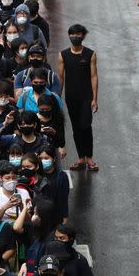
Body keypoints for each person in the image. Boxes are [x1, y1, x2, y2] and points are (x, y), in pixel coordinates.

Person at [57, 24, 99, 171]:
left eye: (78, 34)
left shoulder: (90, 54)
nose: (75, 37)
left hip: (86, 96)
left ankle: (90, 158)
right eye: (72, 34)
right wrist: (58, 98)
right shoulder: (63, 55)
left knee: (85, 125)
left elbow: (94, 77)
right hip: (71, 97)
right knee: (76, 128)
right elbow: (60, 78)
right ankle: (81, 158)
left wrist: (94, 98)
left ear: (83, 36)